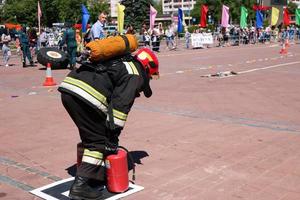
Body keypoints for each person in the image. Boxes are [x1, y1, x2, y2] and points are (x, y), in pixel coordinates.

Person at [58, 47, 159, 200]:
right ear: (147, 67)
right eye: (150, 76)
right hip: (86, 96)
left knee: (91, 136)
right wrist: (112, 136)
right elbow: (120, 108)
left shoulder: (121, 61)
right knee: (98, 142)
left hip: (69, 89)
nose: (149, 79)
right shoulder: (135, 73)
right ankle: (80, 187)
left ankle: (92, 175)